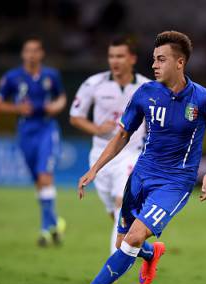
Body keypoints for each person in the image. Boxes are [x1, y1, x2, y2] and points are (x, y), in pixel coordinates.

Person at [56, 30, 206, 284]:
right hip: (141, 176)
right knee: (122, 243)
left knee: (132, 239)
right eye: (153, 59)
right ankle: (152, 254)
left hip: (175, 182)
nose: (154, 65)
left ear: (180, 63)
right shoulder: (145, 93)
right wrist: (94, 169)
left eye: (161, 60)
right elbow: (123, 134)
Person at [69, 36, 149, 254]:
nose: (115, 61)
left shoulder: (146, 87)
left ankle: (113, 268)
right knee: (116, 215)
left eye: (120, 56)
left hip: (132, 153)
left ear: (132, 58)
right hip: (101, 154)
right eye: (112, 56)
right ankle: (147, 250)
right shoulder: (93, 84)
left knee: (121, 204)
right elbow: (75, 116)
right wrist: (96, 129)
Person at [0, 37, 67, 247]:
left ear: (41, 53)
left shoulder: (51, 75)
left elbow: (61, 97)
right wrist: (17, 109)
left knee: (45, 176)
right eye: (28, 51)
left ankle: (44, 230)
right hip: (25, 131)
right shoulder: (12, 77)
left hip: (47, 129)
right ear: (23, 54)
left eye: (35, 51)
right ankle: (56, 222)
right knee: (38, 182)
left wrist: (56, 106)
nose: (31, 55)